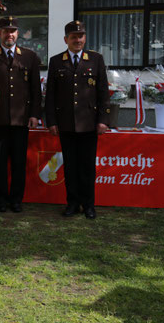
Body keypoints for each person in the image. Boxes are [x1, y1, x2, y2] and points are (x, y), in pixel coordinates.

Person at [45, 20, 110, 219]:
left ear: (84, 38)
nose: (78, 40)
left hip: (89, 123)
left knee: (87, 168)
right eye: (73, 37)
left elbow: (103, 92)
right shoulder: (56, 61)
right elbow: (51, 95)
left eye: (80, 36)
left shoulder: (96, 59)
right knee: (71, 167)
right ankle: (72, 203)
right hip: (66, 123)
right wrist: (51, 121)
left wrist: (103, 120)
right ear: (66, 39)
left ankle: (89, 205)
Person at [0, 17, 41, 213]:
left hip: (21, 120)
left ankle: (16, 199)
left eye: (13, 31)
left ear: (17, 33)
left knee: (18, 163)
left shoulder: (29, 57)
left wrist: (34, 114)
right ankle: (0, 199)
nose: (10, 34)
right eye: (6, 31)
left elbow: (35, 89)